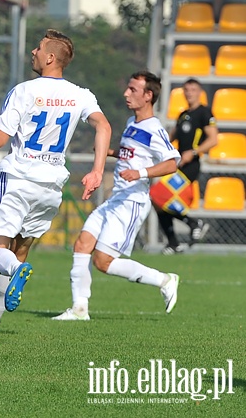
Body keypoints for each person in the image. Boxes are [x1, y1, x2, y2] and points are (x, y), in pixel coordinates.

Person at [0, 29, 111, 337]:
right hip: (51, 186)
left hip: (18, 179)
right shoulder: (81, 94)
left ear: (50, 57)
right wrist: (96, 170)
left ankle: (14, 272)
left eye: (38, 49)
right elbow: (103, 125)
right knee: (19, 250)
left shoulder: (24, 90)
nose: (33, 53)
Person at [53, 71, 181, 322]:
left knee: (103, 262)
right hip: (116, 199)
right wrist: (112, 152)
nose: (126, 93)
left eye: (133, 90)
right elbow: (131, 155)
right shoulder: (132, 124)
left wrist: (141, 172)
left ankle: (164, 280)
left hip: (132, 202)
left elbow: (172, 163)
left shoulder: (154, 128)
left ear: (148, 95)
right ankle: (79, 309)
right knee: (82, 245)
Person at [153, 78, 217, 254]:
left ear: (199, 92)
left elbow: (213, 140)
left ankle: (193, 223)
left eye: (193, 90)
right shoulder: (183, 115)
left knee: (157, 195)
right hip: (178, 164)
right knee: (159, 201)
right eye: (186, 90)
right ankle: (174, 242)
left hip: (191, 166)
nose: (189, 93)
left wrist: (194, 152)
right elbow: (170, 138)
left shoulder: (204, 112)